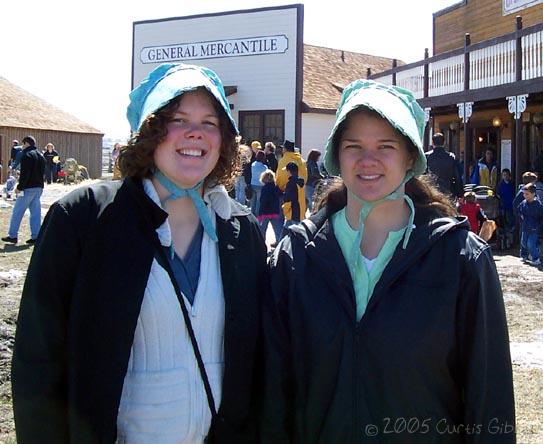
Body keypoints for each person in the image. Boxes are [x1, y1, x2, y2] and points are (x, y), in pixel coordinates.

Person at [11, 63, 267, 443]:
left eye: (210, 122)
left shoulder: (241, 231)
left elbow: (258, 363)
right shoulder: (84, 219)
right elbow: (38, 360)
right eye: (178, 118)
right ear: (150, 131)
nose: (195, 132)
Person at [261, 79, 515, 443]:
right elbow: (274, 397)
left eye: (386, 146)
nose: (368, 160)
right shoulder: (295, 257)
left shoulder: (461, 260)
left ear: (411, 156)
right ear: (336, 155)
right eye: (354, 146)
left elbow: (490, 403)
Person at [2, 136, 45, 245]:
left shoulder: (27, 155)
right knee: (35, 213)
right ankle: (36, 236)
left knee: (17, 212)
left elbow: (26, 174)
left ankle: (13, 235)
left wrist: (19, 187)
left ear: (26, 143)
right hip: (39, 187)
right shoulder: (41, 155)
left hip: (27, 188)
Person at [425, 132, 463, 198]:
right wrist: (460, 193)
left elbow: (423, 175)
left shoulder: (427, 157)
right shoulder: (451, 157)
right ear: (444, 143)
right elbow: (457, 177)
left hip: (431, 190)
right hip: (448, 191)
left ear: (433, 143)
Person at [518, 182, 543, 266]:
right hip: (525, 226)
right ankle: (524, 256)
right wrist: (520, 217)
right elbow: (519, 210)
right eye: (524, 194)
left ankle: (536, 258)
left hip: (535, 228)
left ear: (533, 194)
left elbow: (541, 217)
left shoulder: (538, 205)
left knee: (530, 243)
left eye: (527, 194)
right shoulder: (523, 203)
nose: (525, 196)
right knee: (524, 242)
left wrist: (538, 227)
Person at [257, 169, 283, 244]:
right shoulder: (276, 187)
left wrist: (260, 213)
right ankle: (279, 243)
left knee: (262, 231)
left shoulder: (264, 188)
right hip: (274, 212)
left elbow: (263, 201)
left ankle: (261, 245)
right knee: (277, 230)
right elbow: (281, 195)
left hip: (265, 212)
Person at [281, 161, 305, 232]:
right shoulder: (301, 181)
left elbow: (287, 199)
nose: (286, 173)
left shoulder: (290, 183)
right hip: (299, 211)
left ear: (289, 171)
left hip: (292, 212)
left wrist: (284, 210)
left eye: (286, 171)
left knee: (287, 234)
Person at [497, 168, 515, 241]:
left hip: (511, 204)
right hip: (503, 205)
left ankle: (510, 233)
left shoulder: (512, 184)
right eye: (504, 175)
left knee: (510, 219)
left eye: (507, 175)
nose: (505, 176)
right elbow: (498, 194)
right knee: (504, 220)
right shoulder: (500, 184)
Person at [250, 150, 267, 216]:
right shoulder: (264, 167)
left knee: (253, 201)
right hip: (260, 185)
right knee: (258, 202)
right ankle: (257, 215)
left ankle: (252, 214)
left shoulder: (253, 164)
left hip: (253, 183)